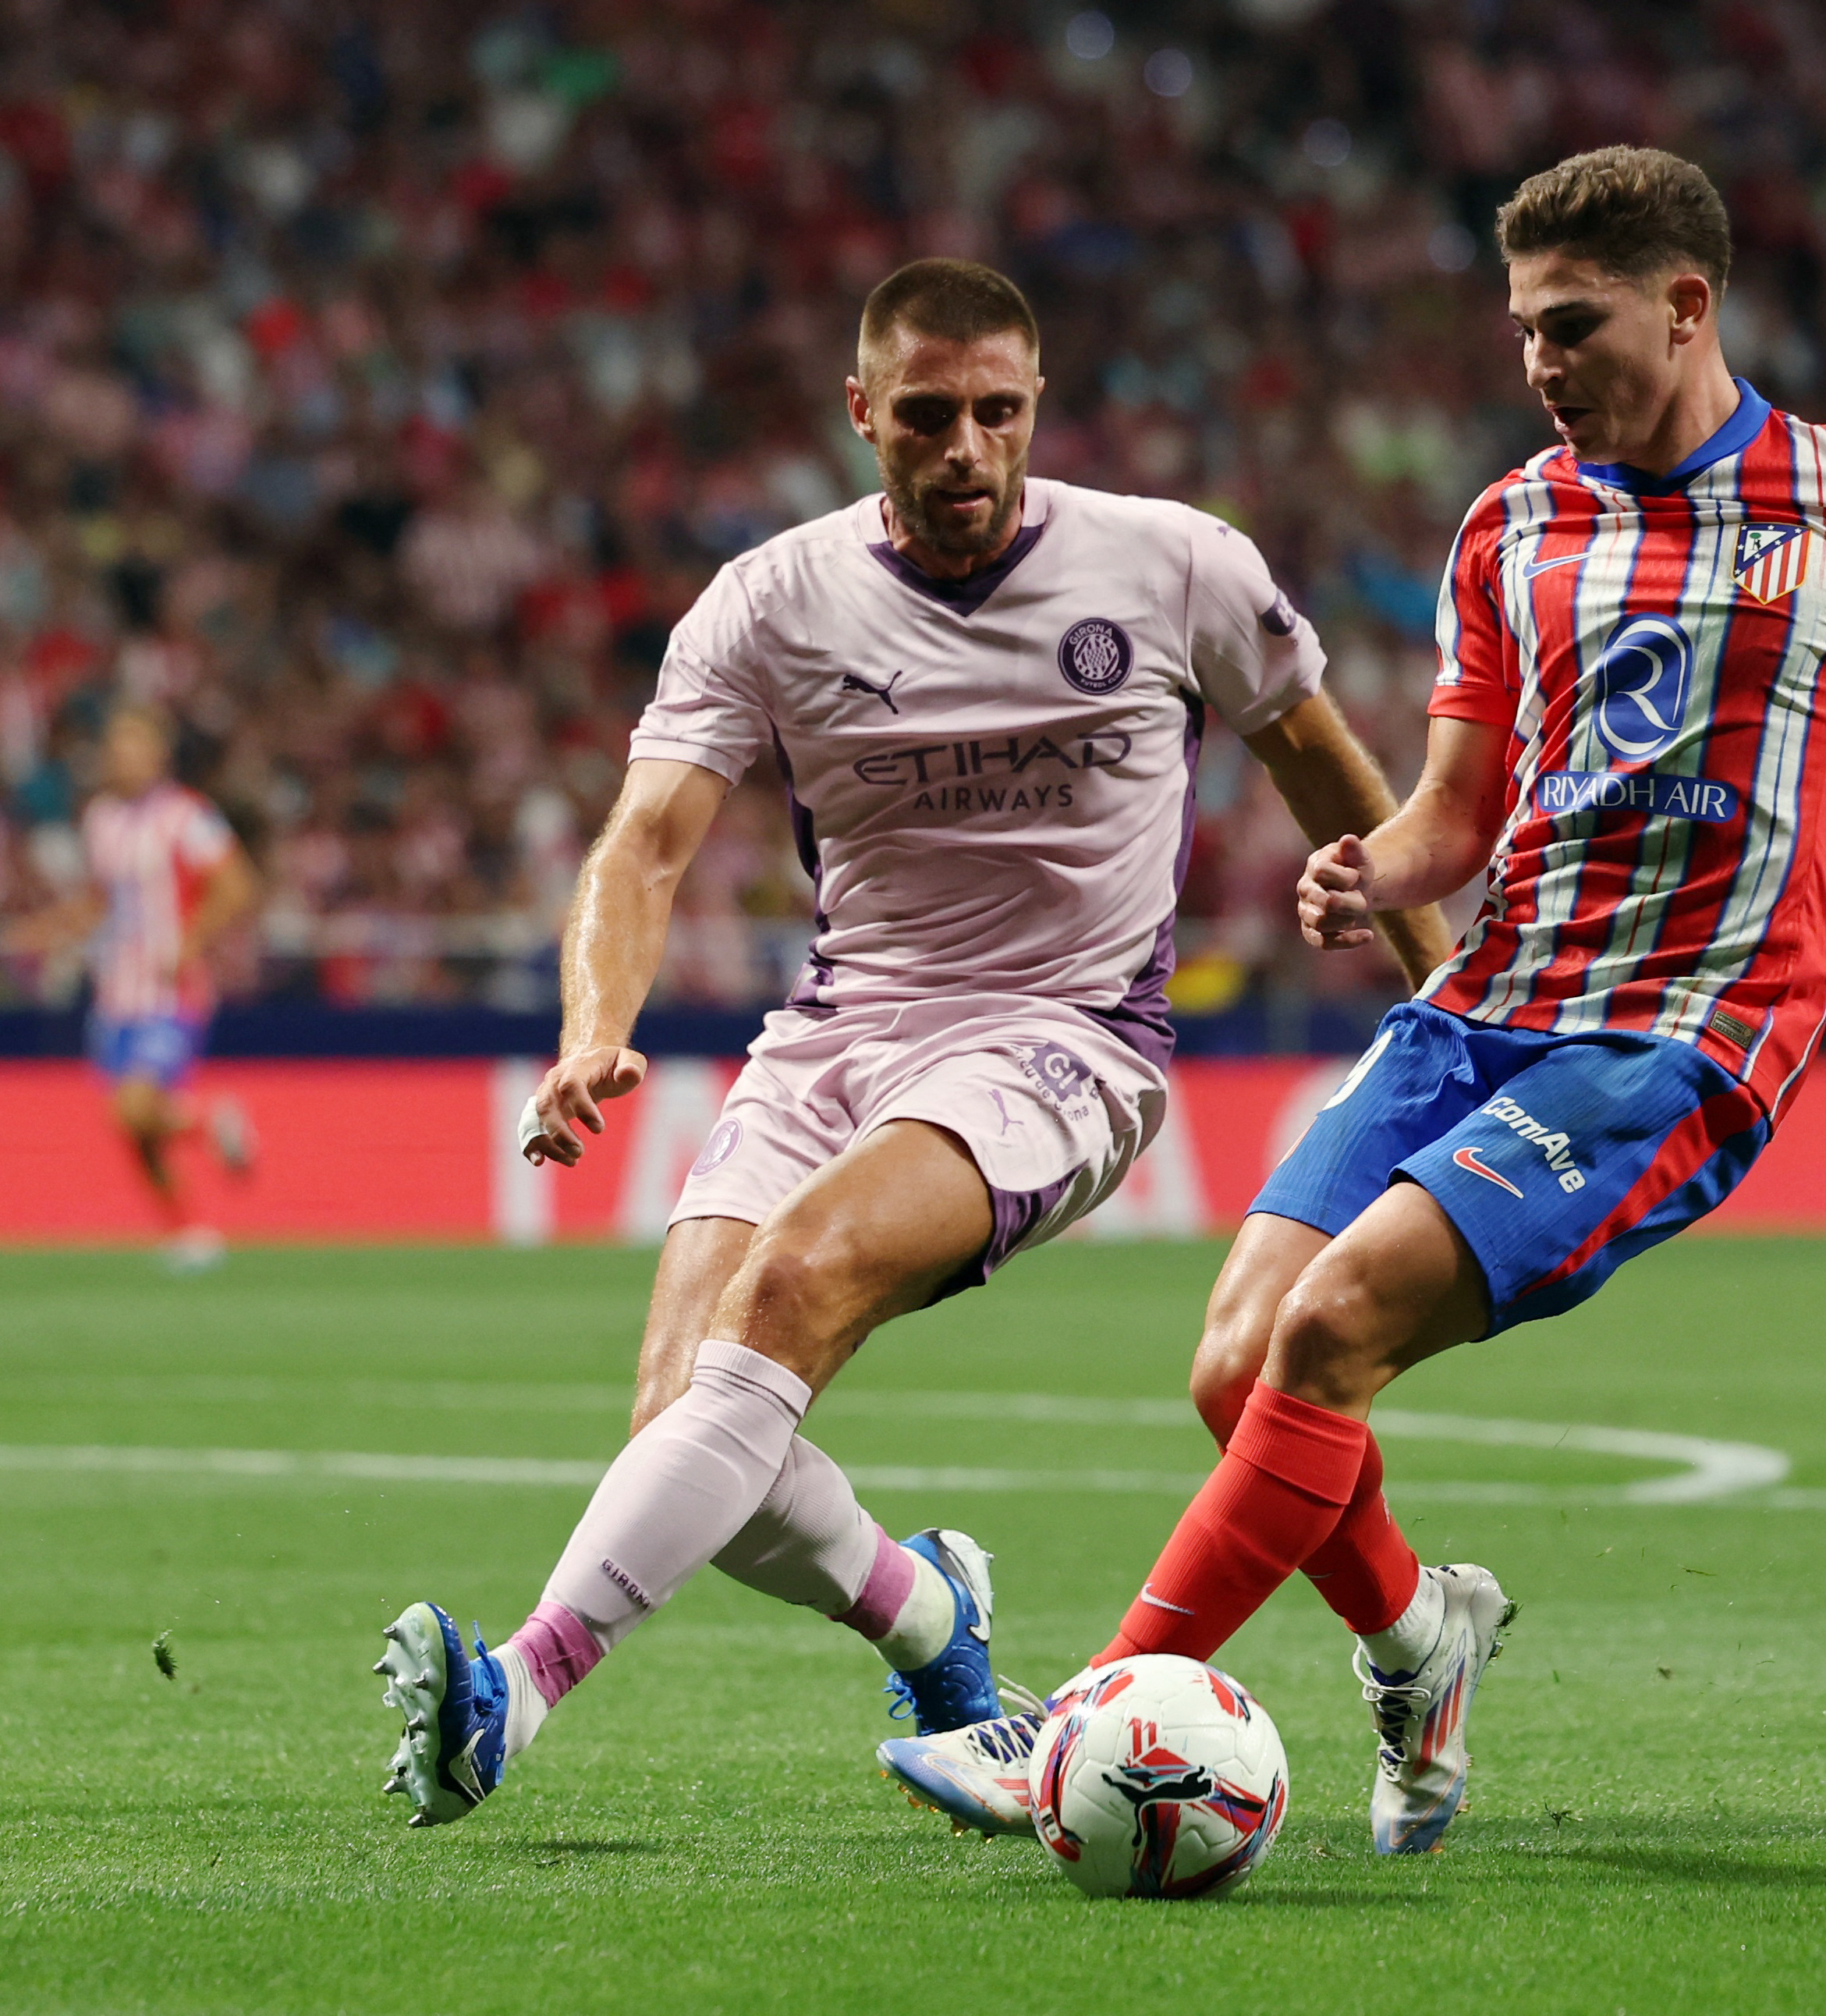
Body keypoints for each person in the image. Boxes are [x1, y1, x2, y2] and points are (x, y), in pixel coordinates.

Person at [878, 146, 1826, 1855]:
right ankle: (1417, 1633)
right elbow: (1460, 809)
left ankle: (1077, 1714)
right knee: (1236, 1367)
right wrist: (1377, 865)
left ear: (1686, 306)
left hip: (1678, 1037)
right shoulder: (1514, 521)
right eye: (1519, 330)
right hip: (1486, 1005)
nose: (1537, 361)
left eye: (1569, 324)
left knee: (1325, 1331)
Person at [373, 259, 1444, 1827]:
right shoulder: (770, 598)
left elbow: (1335, 774)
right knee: (683, 1421)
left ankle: (514, 1686)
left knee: (792, 1287)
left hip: (1062, 1037)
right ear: (863, 410)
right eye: (928, 415)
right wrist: (592, 1029)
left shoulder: (1171, 568)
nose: (965, 447)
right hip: (839, 1032)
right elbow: (645, 842)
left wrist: (1447, 999)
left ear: (1035, 408)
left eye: (996, 413)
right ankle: (930, 1614)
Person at [11, 705, 257, 1270]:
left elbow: (237, 885)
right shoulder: (101, 819)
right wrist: (50, 930)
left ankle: (213, 1118)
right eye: (115, 748)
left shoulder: (188, 816)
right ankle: (189, 1233)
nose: (121, 759)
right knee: (136, 1133)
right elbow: (101, 903)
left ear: (158, 754)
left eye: (133, 746)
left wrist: (192, 943)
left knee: (133, 1108)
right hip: (114, 994)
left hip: (169, 992)